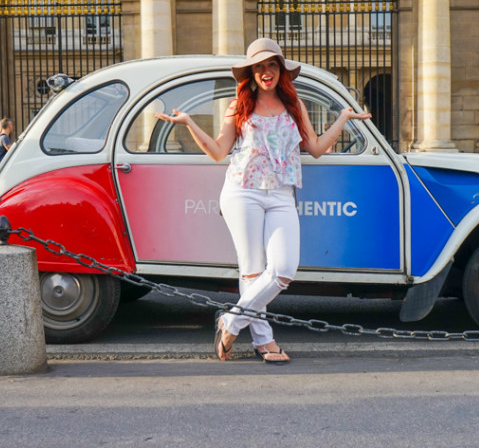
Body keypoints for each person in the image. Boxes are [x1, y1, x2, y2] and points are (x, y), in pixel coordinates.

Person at [155, 38, 371, 364]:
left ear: (280, 71)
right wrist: (189, 124)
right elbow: (217, 152)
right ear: (251, 72)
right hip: (243, 191)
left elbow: (314, 147)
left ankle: (230, 322)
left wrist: (342, 119)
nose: (265, 72)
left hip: (282, 194)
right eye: (259, 66)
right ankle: (265, 341)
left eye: (271, 65)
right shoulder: (238, 105)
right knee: (252, 271)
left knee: (283, 270)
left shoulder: (294, 105)